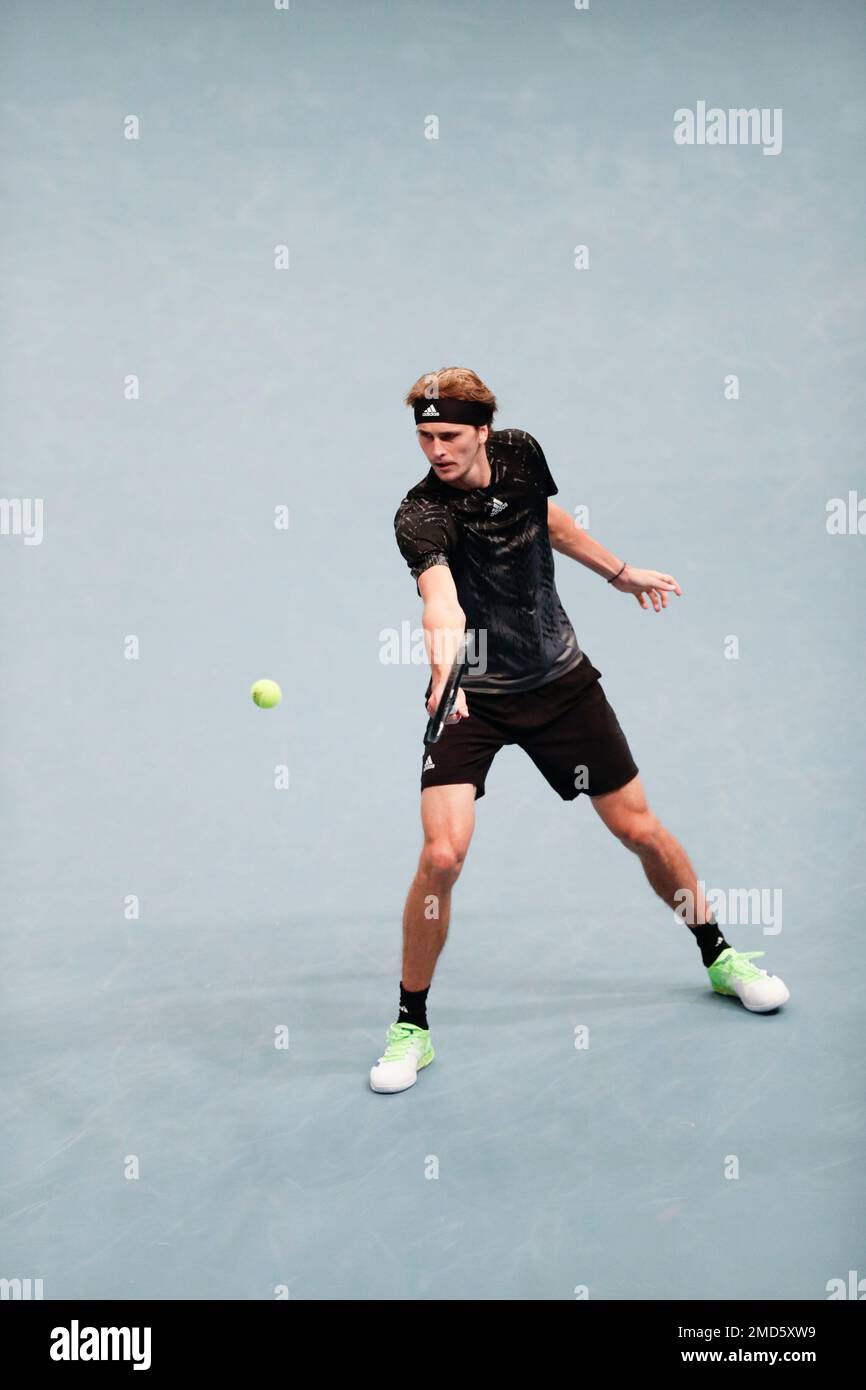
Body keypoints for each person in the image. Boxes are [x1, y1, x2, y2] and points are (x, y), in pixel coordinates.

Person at [370, 367, 789, 1094]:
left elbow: (549, 523)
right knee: (441, 856)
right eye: (424, 436)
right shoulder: (420, 513)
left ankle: (720, 955)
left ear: (483, 432)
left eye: (448, 436)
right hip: (472, 696)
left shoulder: (524, 455)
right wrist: (444, 675)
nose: (434, 449)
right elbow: (441, 603)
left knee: (641, 831)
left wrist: (618, 571)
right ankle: (411, 1025)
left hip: (560, 684)